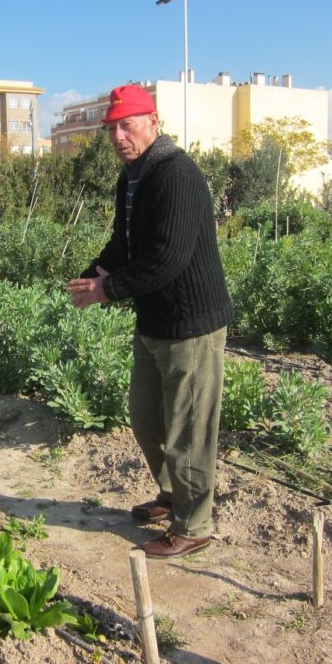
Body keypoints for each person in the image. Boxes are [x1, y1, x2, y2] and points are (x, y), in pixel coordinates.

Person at [66, 84, 234, 559]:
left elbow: (168, 258)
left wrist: (108, 290)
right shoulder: (133, 177)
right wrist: (93, 274)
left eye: (128, 124)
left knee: (188, 430)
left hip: (191, 324)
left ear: (153, 122)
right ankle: (171, 494)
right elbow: (126, 245)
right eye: (112, 128)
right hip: (154, 320)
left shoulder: (176, 175)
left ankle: (194, 524)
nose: (119, 136)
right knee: (145, 418)